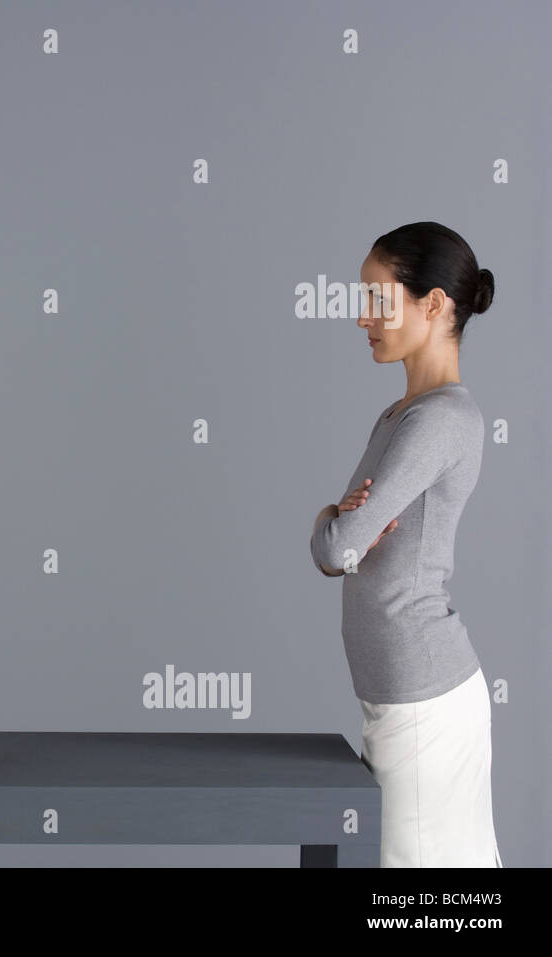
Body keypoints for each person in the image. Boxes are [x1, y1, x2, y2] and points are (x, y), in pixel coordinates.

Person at [309, 221, 500, 867]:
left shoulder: (441, 421)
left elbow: (336, 547)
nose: (363, 317)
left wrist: (329, 518)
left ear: (434, 304)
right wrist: (336, 527)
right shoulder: (398, 416)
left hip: (426, 705)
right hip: (400, 700)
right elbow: (339, 549)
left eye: (378, 299)